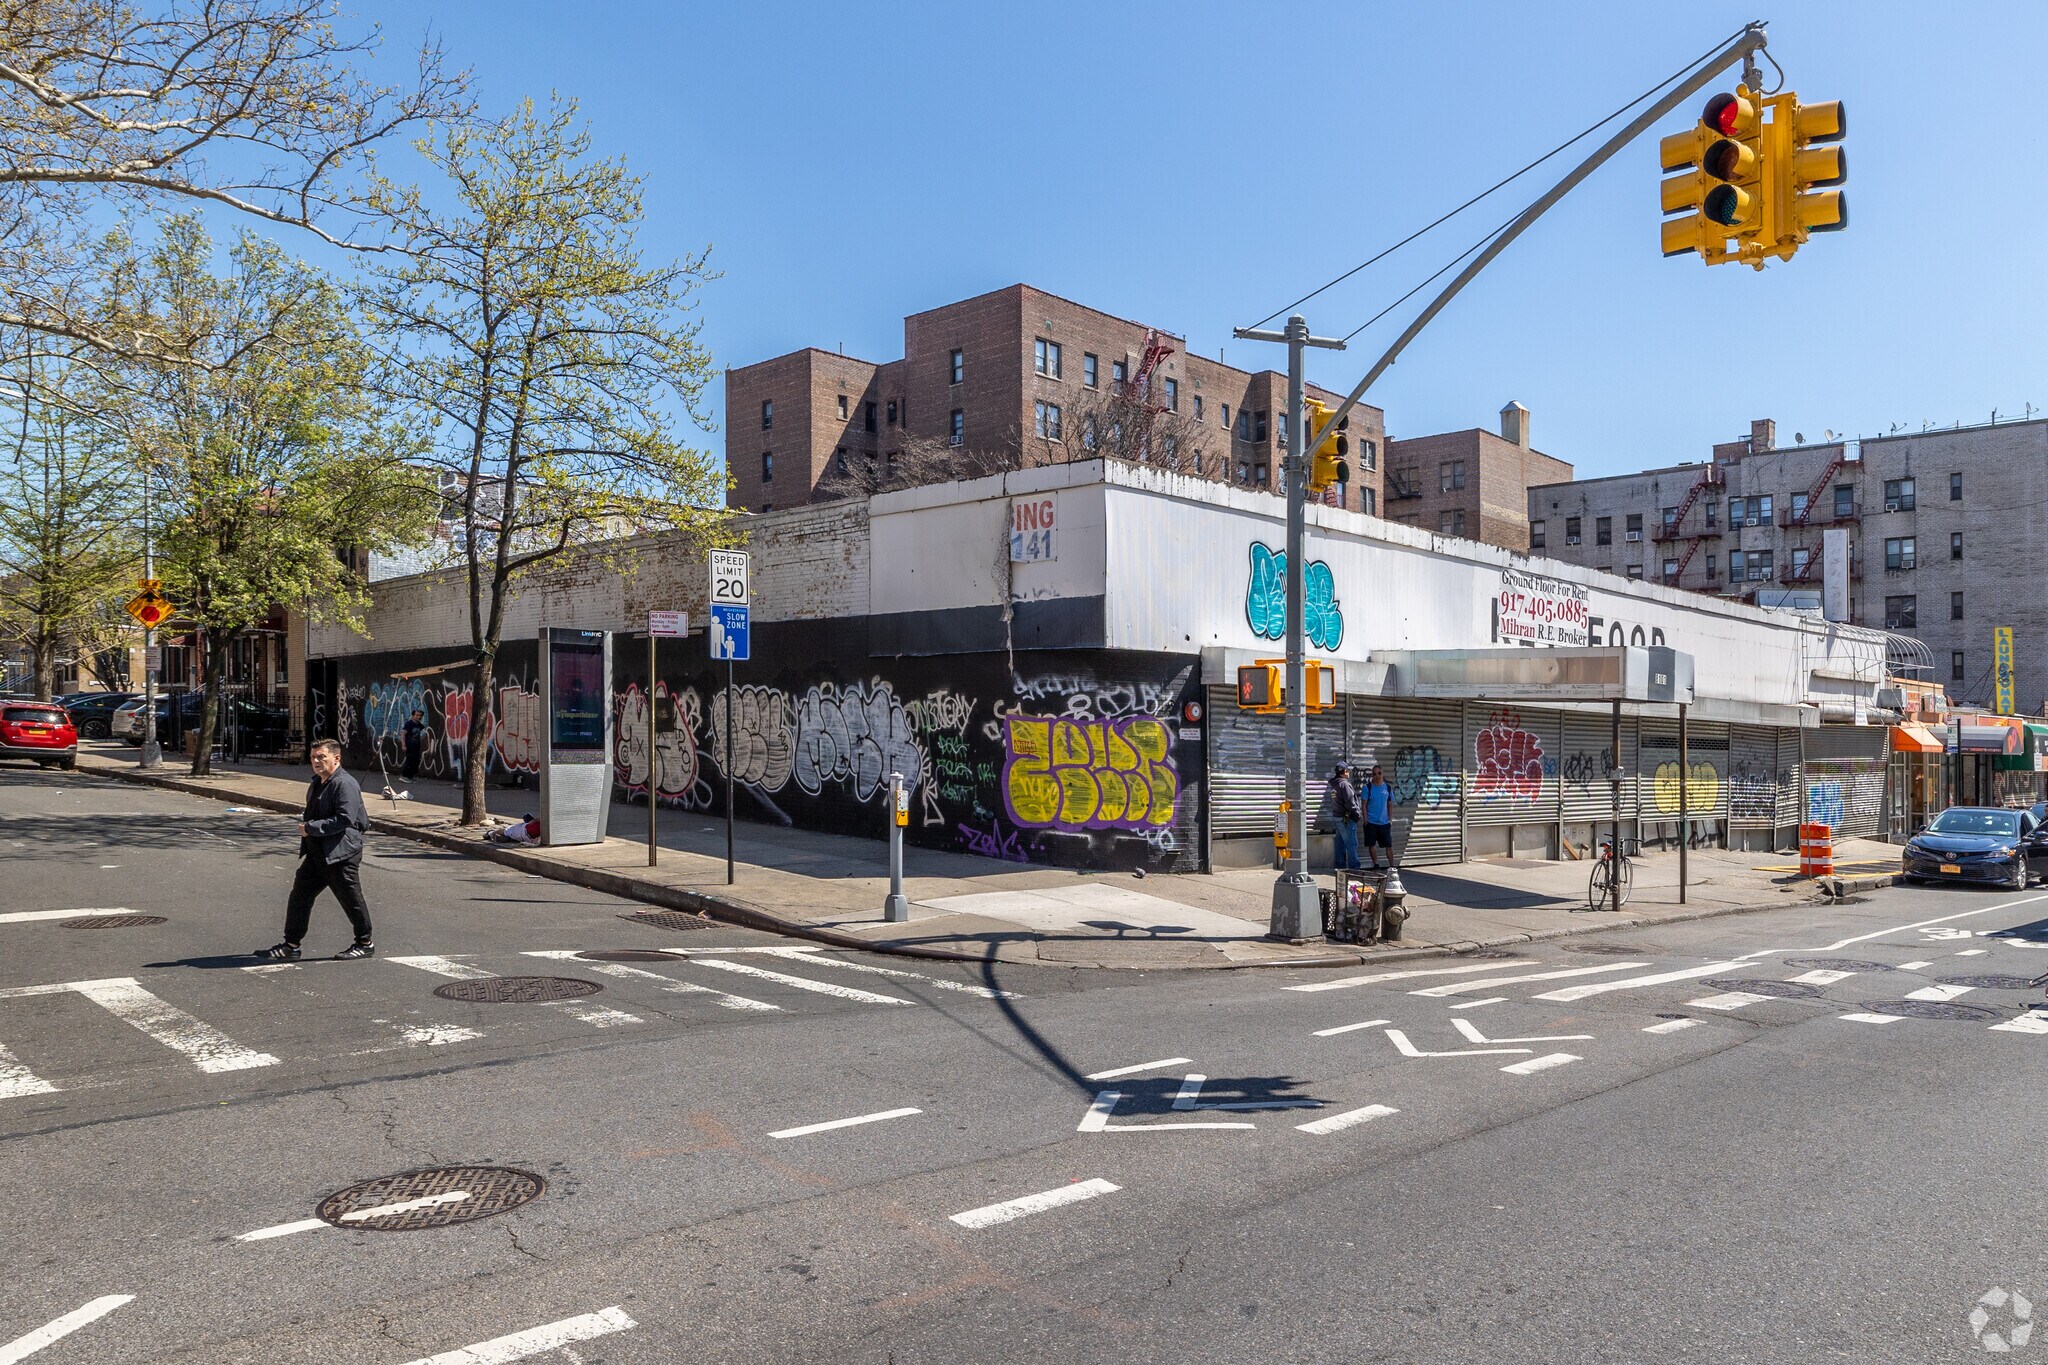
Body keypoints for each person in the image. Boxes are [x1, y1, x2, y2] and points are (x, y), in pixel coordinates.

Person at [255, 738, 374, 960]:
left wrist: (311, 828)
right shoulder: (318, 781)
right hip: (319, 852)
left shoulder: (344, 784)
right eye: (313, 757)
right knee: (300, 895)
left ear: (336, 759)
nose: (316, 761)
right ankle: (291, 945)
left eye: (322, 757)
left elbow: (345, 818)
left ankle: (364, 942)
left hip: (341, 853)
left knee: (350, 899)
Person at [1326, 763, 1361, 871]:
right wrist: (1357, 814)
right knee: (1351, 844)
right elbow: (1350, 802)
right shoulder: (1344, 785)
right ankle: (1354, 870)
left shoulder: (1334, 785)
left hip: (1337, 817)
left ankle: (1340, 869)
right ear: (1345, 772)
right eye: (1348, 771)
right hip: (1347, 818)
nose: (1349, 773)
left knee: (1340, 844)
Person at [1361, 763, 1396, 870]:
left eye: (1379, 773)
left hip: (1384, 822)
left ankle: (1392, 866)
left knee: (1388, 845)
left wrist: (1390, 819)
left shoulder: (1388, 788)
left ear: (1382, 773)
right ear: (1372, 775)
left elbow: (1390, 805)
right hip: (1371, 822)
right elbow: (1364, 805)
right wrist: (1366, 820)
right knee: (1372, 844)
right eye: (1374, 774)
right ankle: (1376, 864)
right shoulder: (1368, 788)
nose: (1377, 776)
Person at [401, 708, 427, 781]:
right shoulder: (409, 724)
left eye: (420, 715)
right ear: (413, 715)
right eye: (417, 715)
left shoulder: (419, 724)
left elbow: (425, 729)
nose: (419, 717)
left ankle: (411, 776)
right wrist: (403, 745)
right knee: (410, 761)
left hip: (416, 746)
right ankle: (404, 776)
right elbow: (403, 734)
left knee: (416, 761)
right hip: (409, 746)